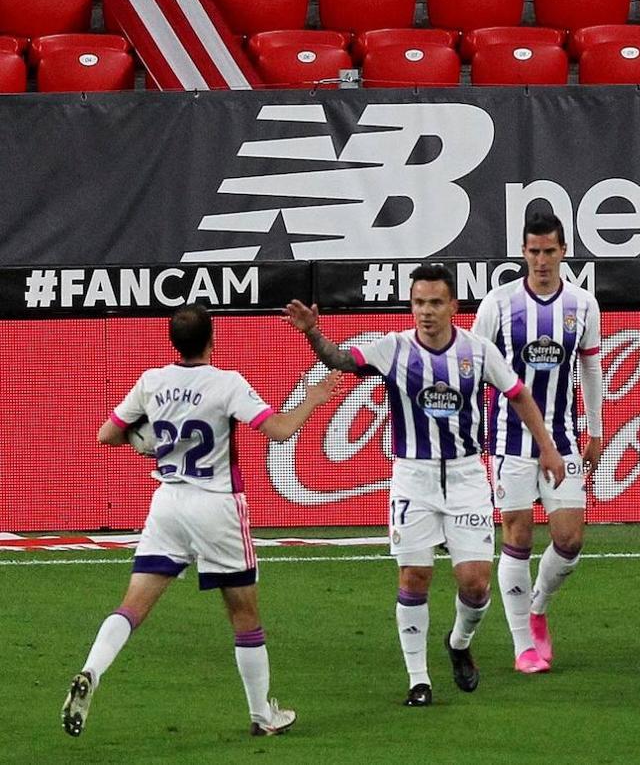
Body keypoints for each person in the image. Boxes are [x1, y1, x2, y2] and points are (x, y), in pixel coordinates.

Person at [283, 265, 566, 707]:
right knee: (414, 576)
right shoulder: (393, 348)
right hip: (412, 477)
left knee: (475, 584)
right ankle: (419, 679)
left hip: (467, 476)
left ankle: (457, 643)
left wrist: (547, 448)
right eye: (418, 303)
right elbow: (340, 359)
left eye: (435, 303)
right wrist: (313, 333)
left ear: (453, 306)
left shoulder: (478, 350)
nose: (426, 312)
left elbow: (520, 395)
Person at [63, 304, 342, 737]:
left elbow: (106, 435)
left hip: (168, 504)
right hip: (217, 508)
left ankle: (91, 670)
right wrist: (313, 398)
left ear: (173, 342)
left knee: (132, 605)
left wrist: (145, 441)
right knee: (244, 615)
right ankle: (262, 716)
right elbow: (281, 430)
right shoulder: (226, 383)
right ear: (212, 341)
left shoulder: (152, 382)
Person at [471, 213, 603, 674]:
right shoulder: (498, 304)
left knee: (569, 539)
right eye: (533, 252)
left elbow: (589, 368)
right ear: (523, 253)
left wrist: (598, 428)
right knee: (517, 537)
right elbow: (472, 366)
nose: (542, 260)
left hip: (563, 440)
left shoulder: (583, 305)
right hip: (509, 443)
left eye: (549, 251)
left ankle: (538, 606)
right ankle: (523, 646)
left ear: (564, 252)